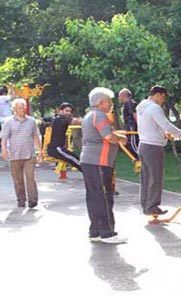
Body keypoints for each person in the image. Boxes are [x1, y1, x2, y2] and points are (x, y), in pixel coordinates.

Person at [80, 87, 128, 244]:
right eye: (109, 101)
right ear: (101, 102)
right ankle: (108, 233)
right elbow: (108, 136)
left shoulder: (88, 115)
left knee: (93, 196)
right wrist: (121, 138)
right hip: (99, 161)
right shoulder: (100, 115)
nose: (111, 104)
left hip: (88, 161)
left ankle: (95, 231)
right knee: (104, 197)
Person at [137, 85, 181, 215]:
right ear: (158, 95)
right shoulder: (155, 108)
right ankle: (152, 206)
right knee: (155, 177)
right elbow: (166, 124)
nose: (163, 101)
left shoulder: (141, 106)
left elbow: (151, 124)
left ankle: (146, 205)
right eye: (163, 97)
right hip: (153, 146)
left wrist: (162, 133)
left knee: (146, 177)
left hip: (143, 144)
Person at [0, 98, 43, 208]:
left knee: (30, 178)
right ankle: (21, 200)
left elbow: (35, 136)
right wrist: (4, 150)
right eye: (20, 107)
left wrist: (40, 151)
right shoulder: (9, 122)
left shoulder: (31, 121)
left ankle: (33, 200)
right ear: (14, 109)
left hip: (29, 154)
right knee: (18, 180)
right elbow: (4, 138)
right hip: (14, 155)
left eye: (24, 107)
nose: (23, 109)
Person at [47, 102, 83, 171]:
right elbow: (75, 121)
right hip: (57, 149)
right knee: (77, 161)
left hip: (58, 148)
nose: (69, 113)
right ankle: (90, 176)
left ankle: (89, 176)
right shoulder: (61, 119)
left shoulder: (57, 119)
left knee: (76, 159)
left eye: (70, 111)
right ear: (60, 111)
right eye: (66, 111)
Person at [118, 88, 139, 160]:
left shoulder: (130, 103)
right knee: (130, 144)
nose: (119, 98)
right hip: (129, 126)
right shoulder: (127, 104)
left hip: (132, 127)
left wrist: (139, 125)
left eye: (119, 96)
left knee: (133, 144)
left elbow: (135, 115)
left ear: (124, 96)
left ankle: (140, 158)